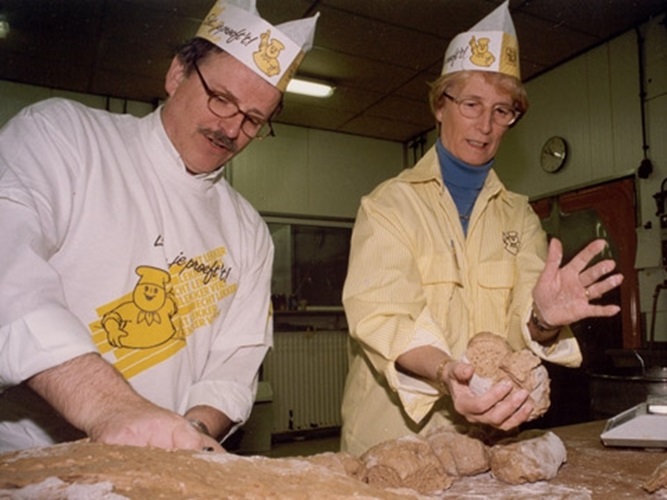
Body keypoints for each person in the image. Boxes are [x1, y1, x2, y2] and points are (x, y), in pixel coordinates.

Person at [0, 0, 319, 452]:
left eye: (253, 120)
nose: (230, 129)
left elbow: (235, 363)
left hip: (165, 465)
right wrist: (110, 408)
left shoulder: (247, 229)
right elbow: (8, 274)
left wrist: (190, 435)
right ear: (176, 74)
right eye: (221, 98)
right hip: (31, 459)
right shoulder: (63, 136)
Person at [339, 0, 623, 456]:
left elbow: (524, 326)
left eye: (502, 111)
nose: (485, 125)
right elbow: (383, 316)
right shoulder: (389, 205)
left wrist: (544, 320)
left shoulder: (518, 218)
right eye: (471, 104)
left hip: (489, 437)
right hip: (395, 442)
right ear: (439, 105)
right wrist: (449, 372)